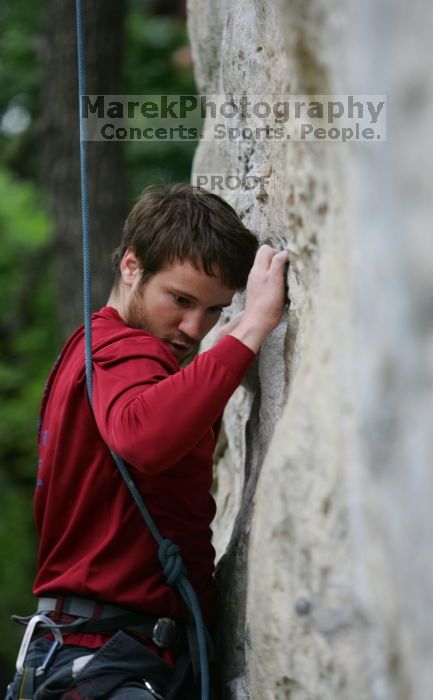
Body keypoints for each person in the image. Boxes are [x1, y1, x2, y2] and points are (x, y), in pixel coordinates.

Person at [5, 184, 289, 700]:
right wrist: (251, 325)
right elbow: (144, 437)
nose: (192, 328)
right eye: (179, 300)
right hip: (111, 655)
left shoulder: (85, 351)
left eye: (214, 311)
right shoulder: (129, 350)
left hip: (97, 652)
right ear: (132, 266)